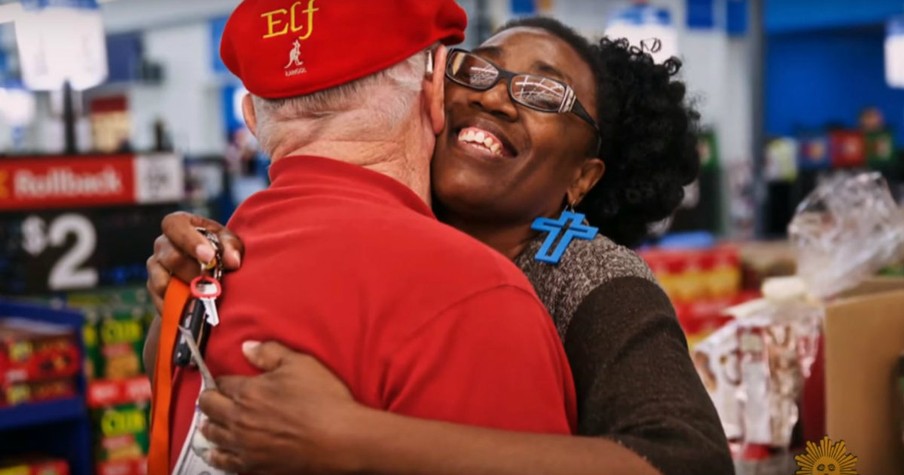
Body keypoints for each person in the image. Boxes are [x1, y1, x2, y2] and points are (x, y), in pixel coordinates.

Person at [147, 15, 736, 475]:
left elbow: (691, 461)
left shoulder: (590, 275)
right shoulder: (386, 245)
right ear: (433, 99)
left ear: (583, 177)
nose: (496, 97)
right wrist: (188, 286)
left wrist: (352, 438)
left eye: (542, 93)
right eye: (477, 72)